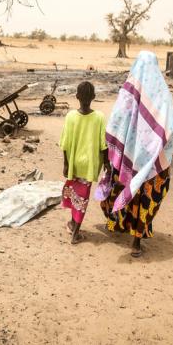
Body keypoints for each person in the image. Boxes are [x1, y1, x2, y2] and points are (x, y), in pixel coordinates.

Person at [97, 51, 173, 257]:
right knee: (145, 199)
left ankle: (117, 224)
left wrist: (119, 148)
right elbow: (169, 127)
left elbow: (116, 121)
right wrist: (151, 146)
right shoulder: (163, 95)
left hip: (126, 157)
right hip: (152, 160)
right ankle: (136, 243)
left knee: (122, 188)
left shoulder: (128, 91)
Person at [59, 81, 110, 244]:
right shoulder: (99, 117)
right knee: (82, 197)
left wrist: (66, 164)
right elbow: (104, 145)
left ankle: (75, 230)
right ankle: (75, 228)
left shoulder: (71, 116)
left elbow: (65, 144)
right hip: (89, 165)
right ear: (94, 97)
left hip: (74, 162)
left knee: (74, 193)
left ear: (77, 97)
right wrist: (107, 163)